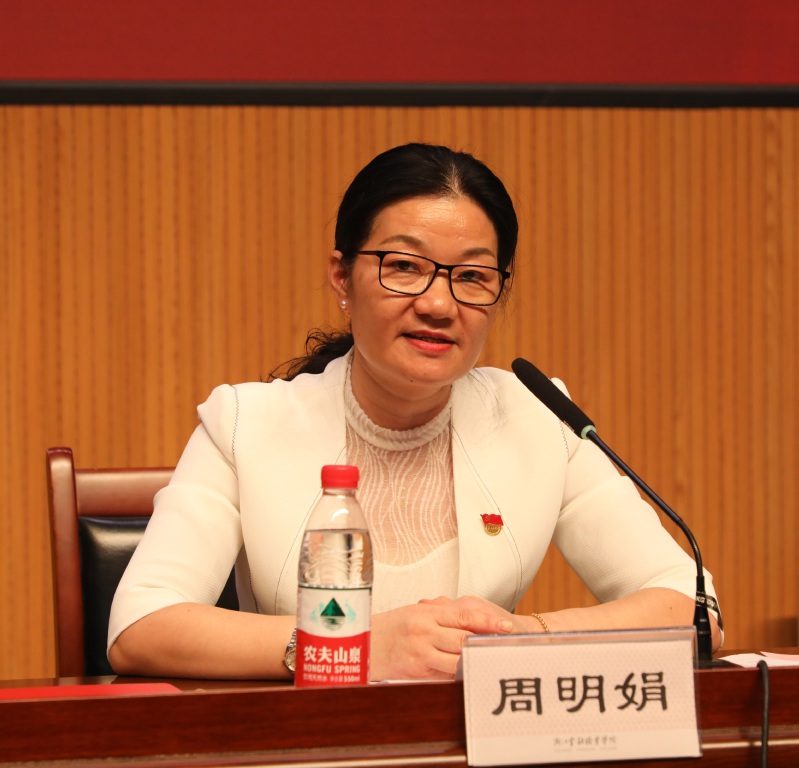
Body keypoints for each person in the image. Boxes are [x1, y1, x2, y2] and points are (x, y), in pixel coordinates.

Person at [108, 143, 721, 681]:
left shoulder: (537, 418)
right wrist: (354, 647)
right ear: (342, 276)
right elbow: (141, 624)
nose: (438, 304)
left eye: (472, 276)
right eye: (404, 267)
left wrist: (524, 638)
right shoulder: (245, 425)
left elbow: (693, 609)